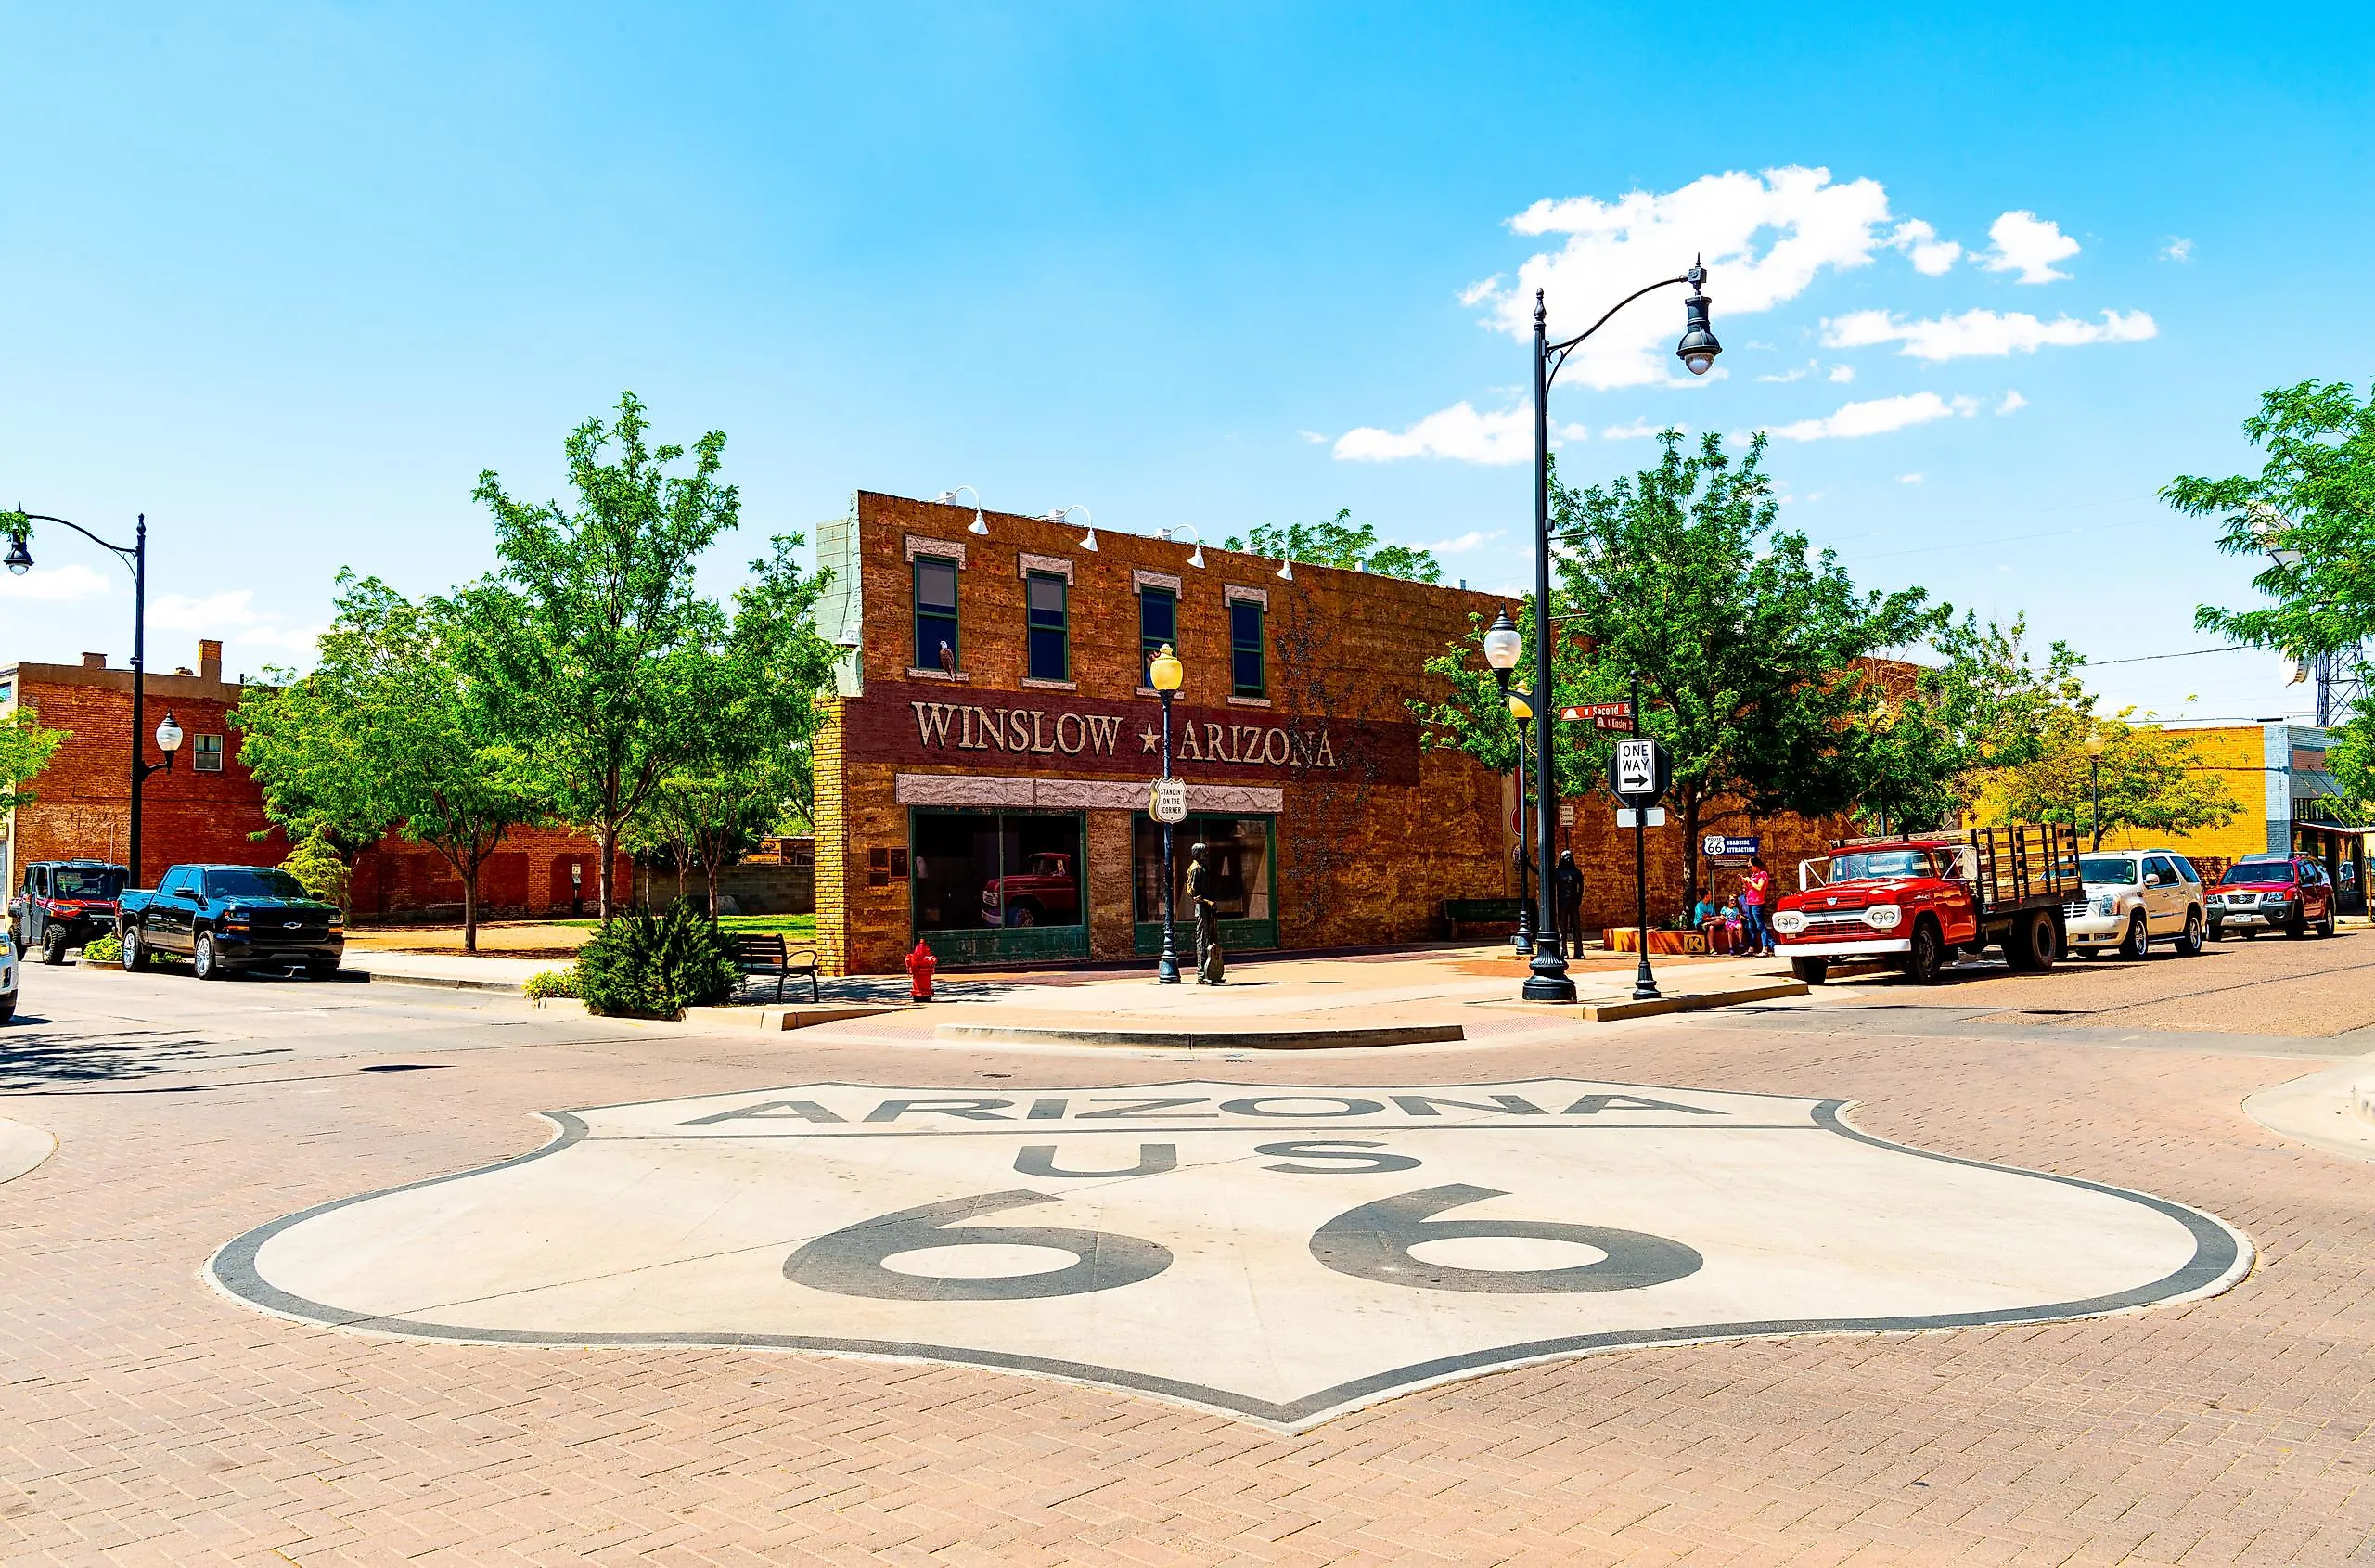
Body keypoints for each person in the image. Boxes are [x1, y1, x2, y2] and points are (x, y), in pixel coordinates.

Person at [1188, 841, 1226, 984]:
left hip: (1209, 908)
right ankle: (1201, 973)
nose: (1206, 854)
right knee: (1202, 938)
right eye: (1203, 852)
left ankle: (1211, 971)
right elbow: (1193, 893)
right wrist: (1207, 902)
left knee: (1211, 937)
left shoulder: (1204, 868)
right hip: (1203, 908)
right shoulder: (1195, 869)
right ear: (1197, 853)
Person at [1740, 856, 1774, 956]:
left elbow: (1759, 888)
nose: (1749, 867)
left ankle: (1765, 948)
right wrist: (1744, 881)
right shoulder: (1754, 875)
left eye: (1751, 865)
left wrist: (1750, 881)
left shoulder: (1763, 874)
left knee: (1760, 925)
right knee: (1751, 926)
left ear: (1756, 865)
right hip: (1750, 903)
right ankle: (1751, 948)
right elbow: (1749, 888)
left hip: (1757, 903)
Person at [1551, 851, 1585, 949]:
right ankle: (1563, 950)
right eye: (1566, 856)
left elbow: (1581, 885)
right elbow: (1542, 873)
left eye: (1569, 856)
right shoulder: (1557, 872)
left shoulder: (1576, 872)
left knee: (1576, 927)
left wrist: (1579, 897)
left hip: (1574, 902)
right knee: (1563, 928)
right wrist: (1528, 864)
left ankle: (1578, 951)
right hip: (1562, 902)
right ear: (1562, 859)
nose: (1568, 858)